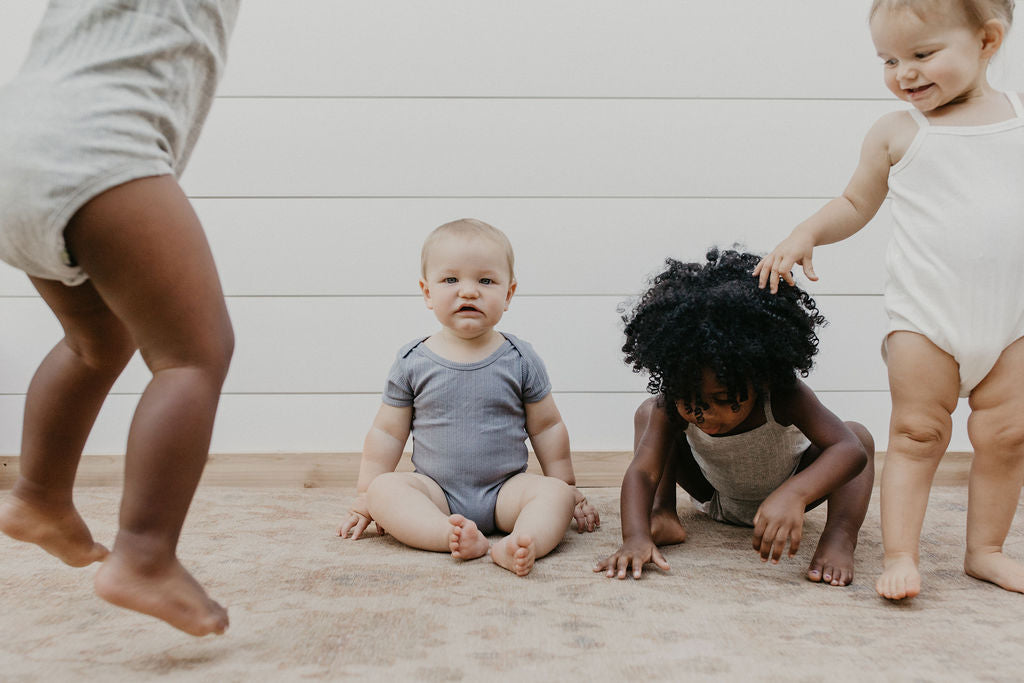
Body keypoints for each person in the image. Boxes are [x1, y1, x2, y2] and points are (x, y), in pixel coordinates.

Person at [754, 0, 1023, 600]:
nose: (904, 73)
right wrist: (806, 233)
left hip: (1013, 319)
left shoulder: (1019, 119)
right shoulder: (899, 133)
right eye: (889, 60)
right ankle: (901, 555)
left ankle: (985, 551)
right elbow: (854, 204)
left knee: (1008, 436)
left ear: (987, 41)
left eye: (922, 54)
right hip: (925, 319)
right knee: (917, 434)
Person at [0, 0, 239, 635]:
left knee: (97, 340)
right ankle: (145, 554)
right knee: (192, 356)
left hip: (16, 139)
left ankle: (39, 497)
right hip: (96, 144)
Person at [338, 218, 599, 576]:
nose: (469, 292)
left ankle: (521, 542)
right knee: (384, 490)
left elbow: (548, 427)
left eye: (486, 281)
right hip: (435, 493)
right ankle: (448, 534)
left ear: (508, 294)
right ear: (427, 292)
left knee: (554, 495)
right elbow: (386, 433)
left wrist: (568, 486)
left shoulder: (521, 358)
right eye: (450, 280)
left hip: (506, 491)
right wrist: (364, 498)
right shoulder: (412, 361)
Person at [596, 250, 873, 585]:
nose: (703, 414)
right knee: (651, 411)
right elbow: (643, 471)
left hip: (790, 493)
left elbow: (850, 450)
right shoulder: (674, 400)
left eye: (721, 399)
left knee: (857, 436)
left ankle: (839, 538)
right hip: (715, 495)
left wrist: (796, 494)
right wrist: (634, 536)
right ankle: (662, 513)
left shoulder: (783, 395)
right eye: (689, 400)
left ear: (760, 378)